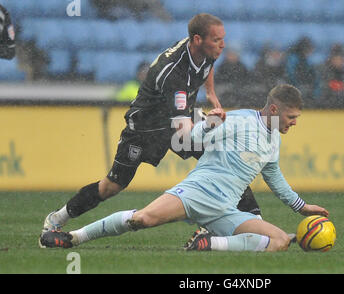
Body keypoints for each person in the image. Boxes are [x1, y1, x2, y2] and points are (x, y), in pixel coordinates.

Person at [39, 13, 262, 246]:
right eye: (217, 40)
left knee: (223, 156)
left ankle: (252, 221)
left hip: (176, 119)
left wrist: (212, 94)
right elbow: (184, 131)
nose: (223, 45)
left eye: (222, 39)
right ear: (197, 39)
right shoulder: (174, 74)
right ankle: (57, 218)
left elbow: (207, 68)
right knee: (112, 185)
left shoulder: (205, 51)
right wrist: (210, 125)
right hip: (146, 128)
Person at [39, 84, 329, 252]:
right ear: (275, 110)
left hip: (224, 209)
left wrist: (301, 208)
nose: (295, 122)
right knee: (142, 219)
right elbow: (191, 138)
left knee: (279, 241)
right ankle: (73, 237)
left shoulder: (273, 140)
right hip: (197, 193)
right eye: (292, 116)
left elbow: (274, 176)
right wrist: (209, 123)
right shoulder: (240, 121)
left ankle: (208, 243)